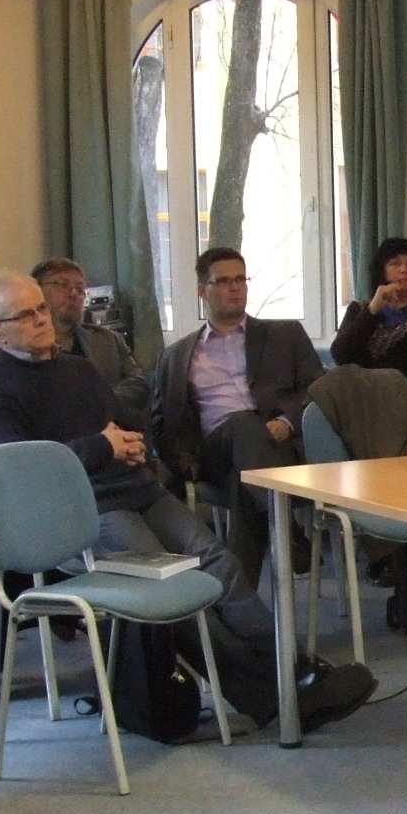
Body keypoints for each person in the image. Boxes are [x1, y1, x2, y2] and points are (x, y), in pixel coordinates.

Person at [0, 272, 376, 732]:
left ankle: (295, 667)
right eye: (26, 315)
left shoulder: (78, 370)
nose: (42, 319)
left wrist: (133, 445)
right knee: (173, 585)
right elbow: (22, 474)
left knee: (219, 563)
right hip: (83, 514)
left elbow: (128, 421)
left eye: (41, 308)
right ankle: (272, 696)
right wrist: (102, 446)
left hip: (136, 491)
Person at [150, 248, 324, 589]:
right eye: (224, 281)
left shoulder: (284, 335)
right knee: (242, 424)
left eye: (241, 279)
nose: (235, 288)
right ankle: (286, 528)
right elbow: (162, 422)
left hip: (278, 449)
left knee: (243, 485)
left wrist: (287, 422)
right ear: (202, 291)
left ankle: (238, 606)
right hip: (214, 452)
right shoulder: (176, 356)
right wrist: (184, 466)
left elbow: (317, 386)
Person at [31, 256, 149, 420]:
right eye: (63, 285)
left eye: (80, 288)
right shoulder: (18, 343)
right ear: (36, 291)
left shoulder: (109, 340)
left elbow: (138, 382)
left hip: (110, 425)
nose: (74, 293)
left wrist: (102, 405)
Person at [331, 236, 407, 399]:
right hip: (358, 395)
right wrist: (372, 311)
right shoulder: (358, 310)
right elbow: (340, 356)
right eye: (395, 263)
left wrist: (365, 370)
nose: (404, 269)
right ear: (382, 271)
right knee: (326, 387)